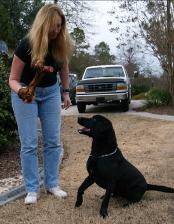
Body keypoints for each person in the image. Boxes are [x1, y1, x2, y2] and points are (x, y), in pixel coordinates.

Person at [9, 4, 73, 204]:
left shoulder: (60, 44)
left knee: (53, 141)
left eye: (60, 26)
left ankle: (52, 184)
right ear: (44, 24)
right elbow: (12, 79)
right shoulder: (26, 44)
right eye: (54, 26)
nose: (57, 30)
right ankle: (31, 189)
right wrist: (21, 91)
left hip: (51, 93)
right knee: (28, 144)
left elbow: (63, 69)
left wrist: (65, 92)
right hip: (26, 93)